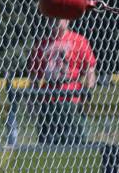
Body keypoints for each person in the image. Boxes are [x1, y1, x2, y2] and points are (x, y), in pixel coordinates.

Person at [27, 17, 97, 146]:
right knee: (47, 143)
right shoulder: (42, 44)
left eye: (60, 17)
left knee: (75, 142)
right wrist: (33, 102)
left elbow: (90, 70)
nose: (57, 21)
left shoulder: (79, 41)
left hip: (72, 96)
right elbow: (34, 77)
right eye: (53, 18)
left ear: (68, 20)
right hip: (48, 98)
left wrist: (87, 97)